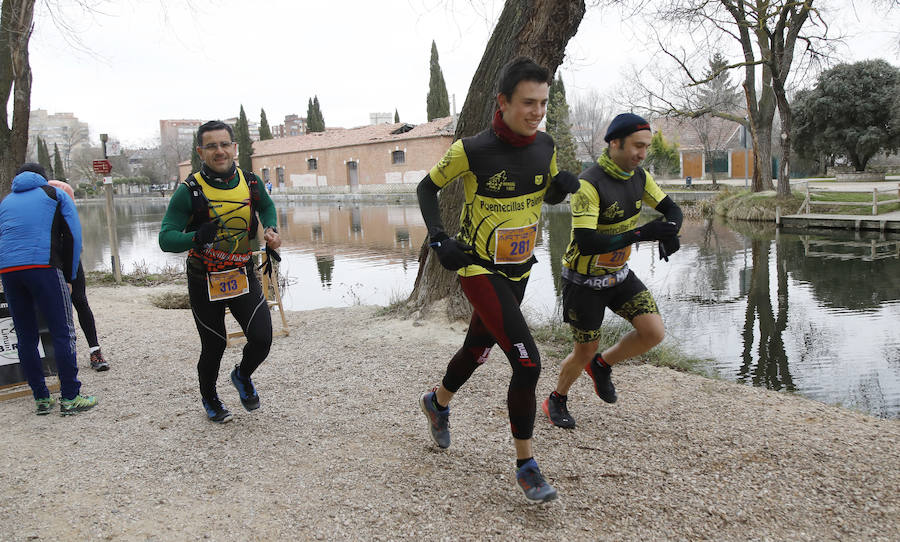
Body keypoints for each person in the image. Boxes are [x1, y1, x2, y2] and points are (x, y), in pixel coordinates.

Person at [416, 57, 580, 503]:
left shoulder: (545, 145)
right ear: (503, 102)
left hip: (520, 268)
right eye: (528, 102)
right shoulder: (471, 150)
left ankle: (437, 402)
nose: (537, 112)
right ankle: (526, 465)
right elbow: (426, 189)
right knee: (527, 363)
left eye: (543, 103)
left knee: (477, 347)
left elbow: (538, 189)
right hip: (477, 267)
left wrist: (558, 187)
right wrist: (438, 239)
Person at [542, 113, 682, 429]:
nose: (642, 154)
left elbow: (672, 210)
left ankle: (602, 365)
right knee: (583, 350)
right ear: (615, 143)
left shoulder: (640, 178)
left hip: (618, 276)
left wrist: (670, 232)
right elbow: (587, 241)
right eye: (637, 146)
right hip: (583, 282)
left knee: (653, 332)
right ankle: (556, 398)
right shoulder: (588, 185)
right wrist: (641, 234)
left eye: (646, 147)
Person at [158, 120, 281, 424]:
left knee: (262, 337)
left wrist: (271, 228)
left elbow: (267, 206)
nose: (220, 151)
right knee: (214, 345)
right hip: (204, 279)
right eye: (211, 146)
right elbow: (165, 238)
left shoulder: (250, 182)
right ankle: (210, 397)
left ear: (234, 147)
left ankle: (242, 375)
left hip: (241, 273)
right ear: (201, 151)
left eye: (225, 144)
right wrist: (196, 237)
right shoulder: (189, 191)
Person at [0, 163, 97, 415]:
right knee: (62, 332)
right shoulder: (55, 194)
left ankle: (41, 398)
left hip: (9, 271)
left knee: (25, 336)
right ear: (44, 179)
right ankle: (70, 397)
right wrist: (70, 275)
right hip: (43, 267)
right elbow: (74, 237)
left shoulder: (7, 201)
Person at [48, 179, 110, 371]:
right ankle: (53, 357)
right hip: (46, 259)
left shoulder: (64, 197)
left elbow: (73, 232)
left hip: (68, 255)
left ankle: (95, 350)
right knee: (49, 307)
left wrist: (70, 271)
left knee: (80, 301)